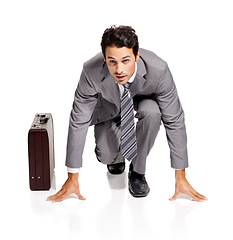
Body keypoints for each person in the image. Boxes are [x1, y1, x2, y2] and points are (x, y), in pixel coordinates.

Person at [47, 25, 207, 202]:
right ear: (104, 58)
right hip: (110, 107)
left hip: (144, 101)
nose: (119, 70)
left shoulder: (159, 70)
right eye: (112, 61)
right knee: (106, 155)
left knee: (153, 111)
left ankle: (137, 171)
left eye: (125, 61)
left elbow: (174, 120)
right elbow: (78, 120)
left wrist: (180, 176)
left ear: (136, 56)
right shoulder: (90, 71)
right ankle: (116, 157)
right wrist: (72, 177)